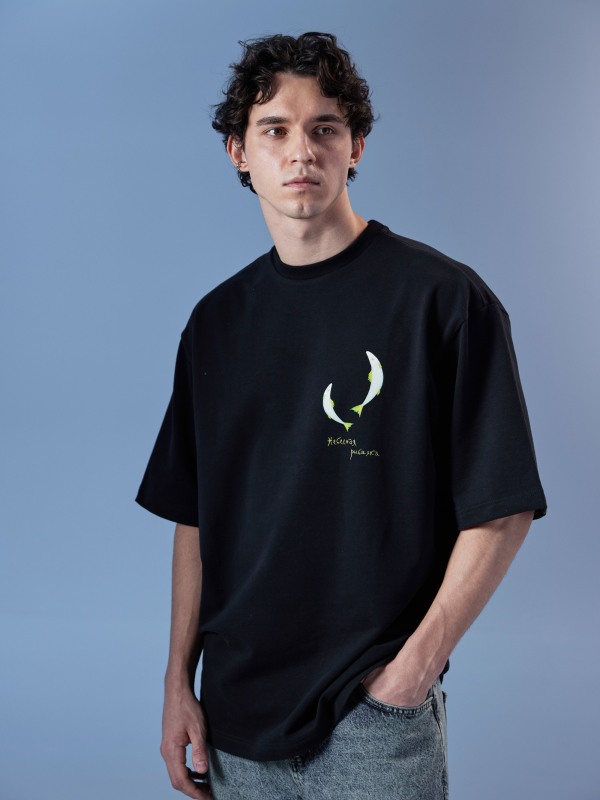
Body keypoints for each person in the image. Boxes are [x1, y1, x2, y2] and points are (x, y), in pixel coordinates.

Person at [136, 32, 547, 800]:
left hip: (372, 721)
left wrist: (411, 674)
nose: (302, 151)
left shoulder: (442, 302)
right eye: (275, 130)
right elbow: (194, 519)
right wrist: (176, 684)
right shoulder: (215, 323)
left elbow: (503, 508)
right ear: (238, 152)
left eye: (325, 127)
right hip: (233, 719)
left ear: (355, 145)